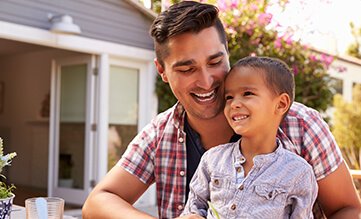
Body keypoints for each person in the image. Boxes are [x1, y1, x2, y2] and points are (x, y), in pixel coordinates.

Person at [82, 1, 361, 219]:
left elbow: (348, 209)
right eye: (187, 68)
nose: (206, 81)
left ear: (228, 53)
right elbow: (97, 202)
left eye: (215, 62)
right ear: (162, 71)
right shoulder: (160, 133)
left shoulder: (300, 123)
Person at [181, 56, 318, 218]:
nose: (234, 104)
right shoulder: (212, 159)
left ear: (281, 104)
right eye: (229, 97)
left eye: (247, 93)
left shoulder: (299, 173)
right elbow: (193, 208)